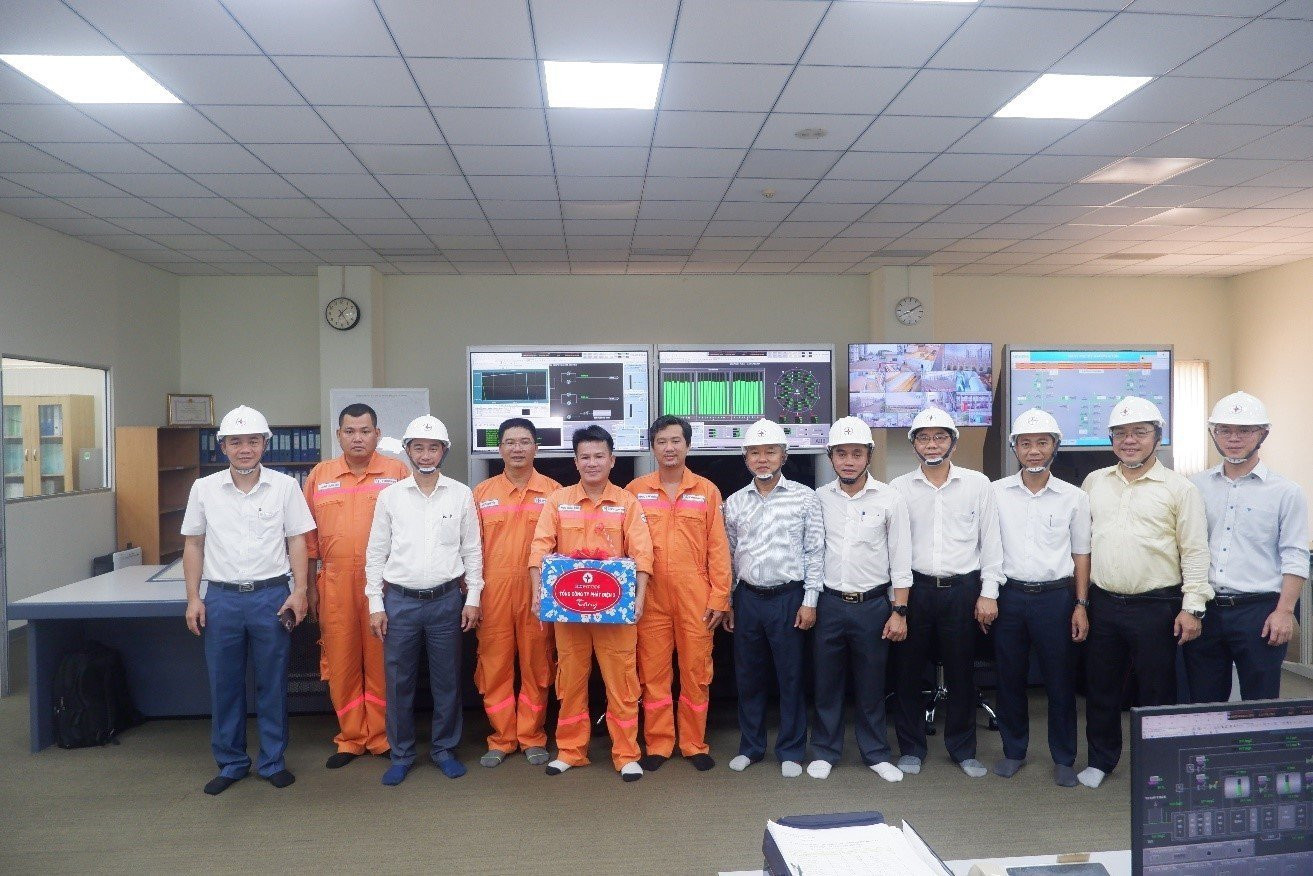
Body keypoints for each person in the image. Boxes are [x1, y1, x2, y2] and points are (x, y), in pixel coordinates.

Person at [181, 405, 316, 795]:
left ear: (264, 444)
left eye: (253, 441)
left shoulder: (285, 487)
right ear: (223, 446)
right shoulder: (204, 489)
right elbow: (193, 545)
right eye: (236, 442)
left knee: (273, 684)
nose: (245, 449)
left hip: (270, 597)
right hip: (222, 599)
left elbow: (298, 541)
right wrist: (193, 598)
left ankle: (272, 761)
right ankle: (231, 762)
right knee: (225, 684)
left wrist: (300, 591)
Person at [1079, 396, 1211, 789]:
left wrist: (1193, 607)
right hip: (1104, 602)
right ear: (1110, 440)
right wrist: (1081, 602)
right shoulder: (1094, 482)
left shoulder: (1180, 488)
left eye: (1140, 432)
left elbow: (1195, 550)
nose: (1130, 440)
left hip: (1157, 605)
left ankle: (1159, 766)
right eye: (1120, 433)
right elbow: (1082, 545)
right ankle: (1101, 761)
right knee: (1101, 688)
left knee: (1157, 690)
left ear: (1158, 437)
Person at [529, 425, 654, 782]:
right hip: (568, 612)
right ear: (575, 461)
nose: (592, 462)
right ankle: (570, 750)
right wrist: (539, 593)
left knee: (622, 682)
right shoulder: (558, 500)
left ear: (612, 460)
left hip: (616, 612)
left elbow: (642, 554)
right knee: (569, 680)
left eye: (600, 456)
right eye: (585, 456)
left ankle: (626, 754)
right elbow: (540, 548)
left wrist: (639, 599)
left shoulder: (627, 502)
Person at [365, 415, 483, 786]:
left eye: (433, 448)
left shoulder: (461, 494)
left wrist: (473, 596)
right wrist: (375, 603)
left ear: (444, 451)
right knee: (398, 681)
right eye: (419, 447)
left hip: (446, 600)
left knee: (447, 680)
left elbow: (472, 550)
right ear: (408, 451)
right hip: (400, 602)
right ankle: (401, 754)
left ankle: (444, 749)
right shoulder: (390, 496)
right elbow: (376, 552)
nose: (426, 454)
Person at [890, 406, 1003, 780]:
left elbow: (991, 542)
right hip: (915, 589)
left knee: (961, 673)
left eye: (940, 437)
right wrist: (897, 603)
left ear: (953, 442)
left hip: (963, 590)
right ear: (914, 445)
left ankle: (963, 749)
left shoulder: (978, 484)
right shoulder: (898, 488)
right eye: (924, 438)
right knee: (907, 673)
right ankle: (911, 748)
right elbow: (895, 549)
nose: (932, 444)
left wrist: (989, 592)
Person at [302, 403, 408, 769]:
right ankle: (350, 738)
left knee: (382, 660)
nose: (357, 438)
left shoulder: (396, 472)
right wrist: (309, 589)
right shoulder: (320, 475)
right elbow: (307, 539)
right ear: (339, 435)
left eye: (365, 431)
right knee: (341, 659)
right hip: (334, 583)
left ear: (377, 434)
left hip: (385, 582)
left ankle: (380, 736)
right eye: (350, 431)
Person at [1185, 391, 1308, 703]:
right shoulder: (1194, 487)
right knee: (1204, 703)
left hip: (1260, 612)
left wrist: (1284, 611)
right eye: (1224, 430)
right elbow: (1186, 548)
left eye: (1244, 430)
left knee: (1260, 704)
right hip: (1206, 611)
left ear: (1262, 434)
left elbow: (1294, 555)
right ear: (1213, 434)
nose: (1234, 438)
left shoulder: (1286, 492)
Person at [990, 409, 1091, 788]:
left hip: (1056, 599)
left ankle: (1064, 758)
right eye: (1026, 443)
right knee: (1009, 678)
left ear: (1055, 447)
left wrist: (1081, 604)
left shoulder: (1074, 497)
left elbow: (1082, 553)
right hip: (1009, 597)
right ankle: (1013, 751)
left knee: (1060, 681)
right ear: (1015, 448)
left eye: (1042, 443)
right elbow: (987, 547)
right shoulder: (995, 493)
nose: (1034, 450)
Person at [626, 415, 732, 773]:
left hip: (695, 597)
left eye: (675, 441)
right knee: (652, 674)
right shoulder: (635, 490)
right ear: (652, 447)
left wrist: (720, 597)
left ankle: (693, 743)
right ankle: (658, 743)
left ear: (688, 445)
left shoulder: (707, 490)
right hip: (650, 597)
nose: (669, 448)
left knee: (696, 672)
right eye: (661, 442)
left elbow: (718, 547)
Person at [807, 416, 910, 783]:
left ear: (869, 455)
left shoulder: (890, 498)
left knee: (871, 684)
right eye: (841, 454)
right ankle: (825, 750)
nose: (848, 461)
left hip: (873, 605)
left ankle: (876, 753)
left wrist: (899, 610)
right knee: (826, 683)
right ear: (831, 457)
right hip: (830, 604)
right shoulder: (819, 498)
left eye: (856, 453)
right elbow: (812, 551)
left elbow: (900, 559)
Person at [723, 418, 824, 779]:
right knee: (748, 677)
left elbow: (815, 551)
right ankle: (750, 747)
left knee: (791, 677)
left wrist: (810, 600)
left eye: (770, 452)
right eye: (755, 453)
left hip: (789, 598)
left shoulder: (805, 497)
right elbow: (728, 556)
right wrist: (729, 601)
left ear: (784, 455)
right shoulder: (734, 502)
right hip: (748, 598)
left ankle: (791, 750)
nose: (762, 459)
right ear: (746, 458)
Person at [472, 418, 561, 768]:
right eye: (510, 442)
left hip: (538, 595)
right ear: (499, 449)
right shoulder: (481, 494)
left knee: (537, 665)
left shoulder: (555, 493)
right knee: (494, 667)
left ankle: (532, 736)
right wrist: (472, 595)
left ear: (536, 447)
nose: (517, 448)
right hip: (493, 593)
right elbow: (469, 548)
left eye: (524, 442)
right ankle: (502, 737)